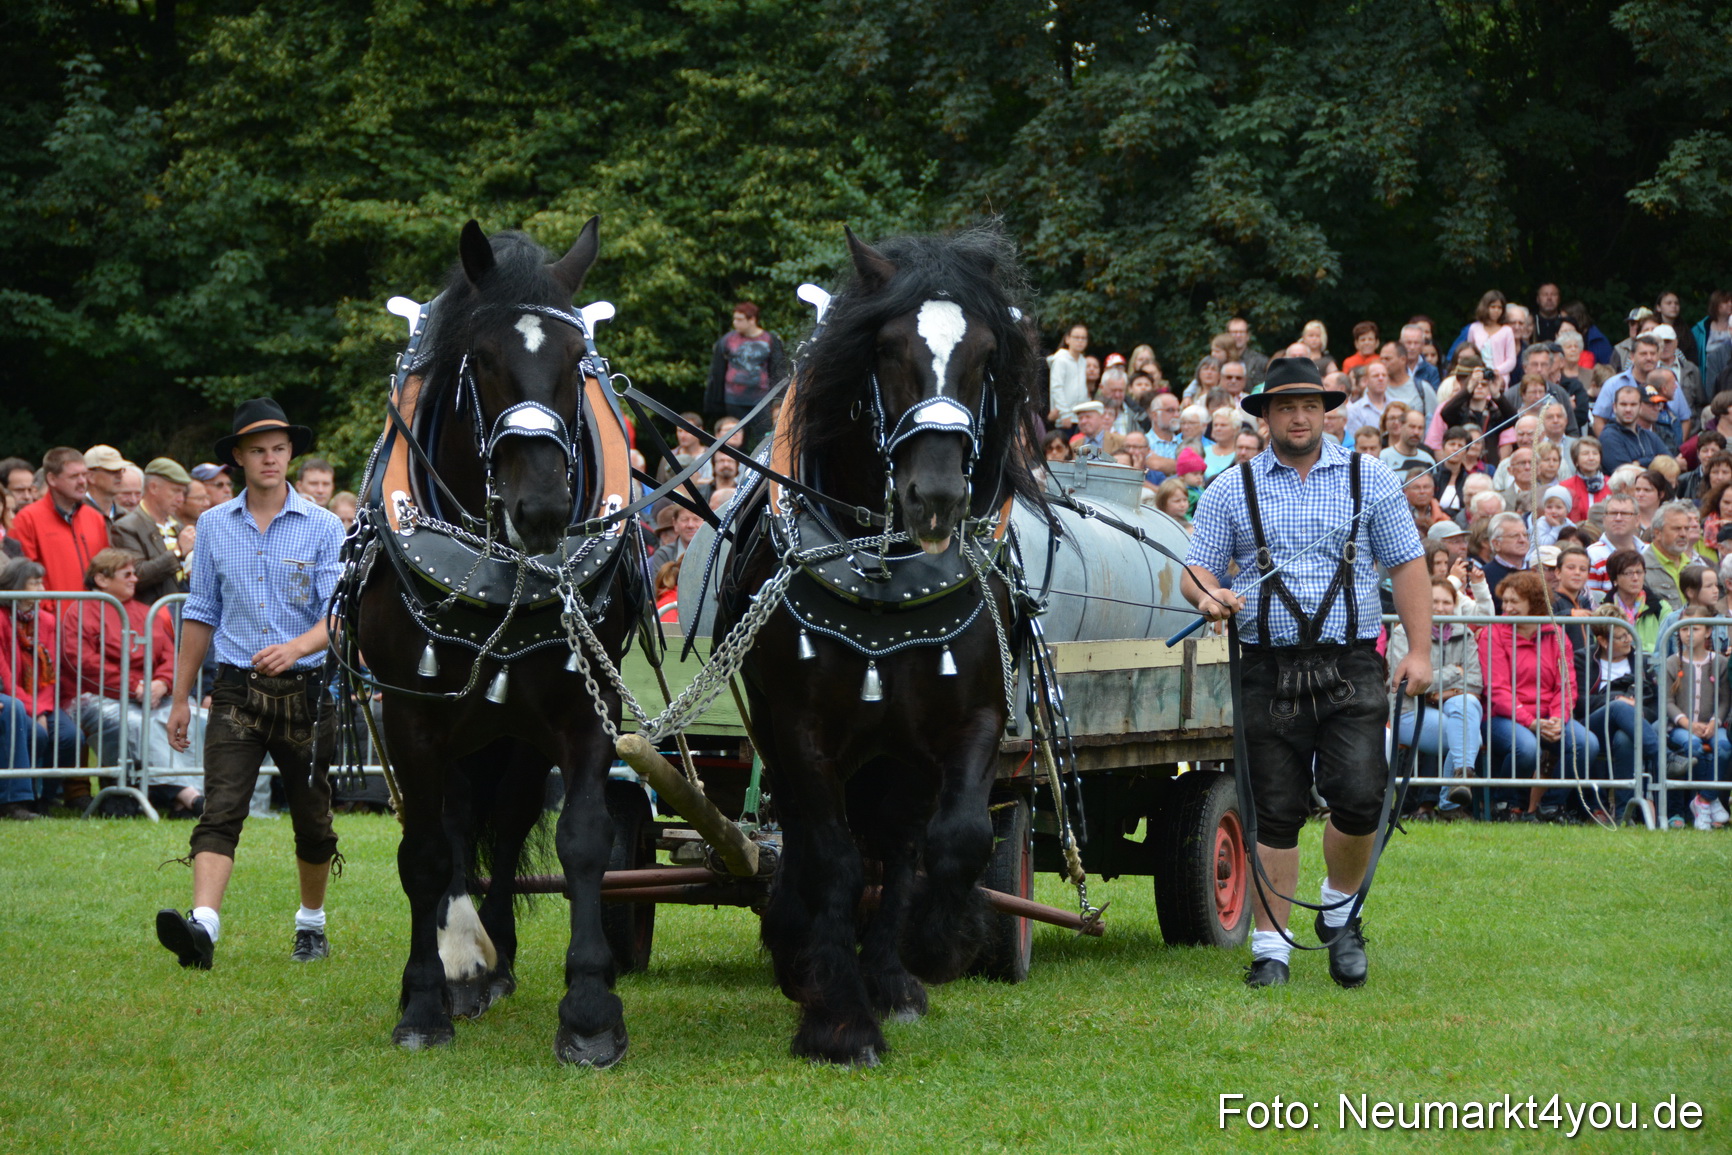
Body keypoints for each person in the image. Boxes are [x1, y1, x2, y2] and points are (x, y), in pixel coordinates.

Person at [1183, 357, 1430, 990]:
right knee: (1275, 808)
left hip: (1351, 662)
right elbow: (1195, 570)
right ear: (1264, 416)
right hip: (1267, 666)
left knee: (1360, 793)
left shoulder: (1369, 478)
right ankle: (1272, 949)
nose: (1300, 417)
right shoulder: (1228, 488)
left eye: (1311, 406)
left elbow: (1407, 566)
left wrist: (1420, 651)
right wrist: (1209, 596)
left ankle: (1341, 916)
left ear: (1327, 412)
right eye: (1287, 407)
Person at [155, 398, 345, 971]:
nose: (270, 459)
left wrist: (296, 647)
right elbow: (201, 612)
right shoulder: (212, 525)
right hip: (235, 688)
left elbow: (338, 616)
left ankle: (311, 923)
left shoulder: (323, 525)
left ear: (291, 453)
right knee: (221, 808)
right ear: (237, 458)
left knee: (313, 819)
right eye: (258, 450)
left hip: (308, 691)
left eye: (279, 449)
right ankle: (203, 928)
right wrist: (183, 696)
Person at [63, 547, 206, 818]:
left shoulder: (146, 612)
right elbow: (82, 661)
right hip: (97, 696)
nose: (134, 579)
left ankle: (185, 799)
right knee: (136, 723)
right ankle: (185, 796)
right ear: (102, 579)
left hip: (152, 694)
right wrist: (134, 686)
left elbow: (169, 654)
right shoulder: (79, 612)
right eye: (126, 574)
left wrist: (162, 683)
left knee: (192, 716)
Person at [1480, 570, 1597, 821]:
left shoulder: (1556, 634)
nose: (1507, 608)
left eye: (1514, 602)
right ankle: (1508, 804)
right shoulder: (1494, 632)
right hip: (1503, 716)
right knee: (1526, 747)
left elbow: (1566, 685)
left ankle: (1552, 807)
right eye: (1505, 601)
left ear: (1533, 604)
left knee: (1587, 744)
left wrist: (1557, 718)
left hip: (1548, 715)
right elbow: (1497, 688)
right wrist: (1530, 721)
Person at [1389, 577, 1481, 821]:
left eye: (1446, 602)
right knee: (1469, 735)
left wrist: (1437, 691)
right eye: (1433, 601)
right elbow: (1409, 685)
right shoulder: (1402, 633)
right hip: (1409, 711)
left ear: (1455, 605)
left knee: (1468, 704)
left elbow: (1474, 682)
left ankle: (1460, 780)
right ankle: (1451, 805)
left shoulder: (1465, 634)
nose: (1440, 608)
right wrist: (1453, 672)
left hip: (1450, 707)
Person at [1663, 607, 1732, 830]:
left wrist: (1714, 721)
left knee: (1722, 746)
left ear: (1708, 632)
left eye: (1696, 628)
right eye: (1684, 628)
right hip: (1680, 726)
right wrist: (1687, 723)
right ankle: (1708, 802)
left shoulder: (1719, 662)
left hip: (1712, 724)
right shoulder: (1672, 663)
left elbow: (1724, 700)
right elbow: (1667, 702)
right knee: (1692, 744)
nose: (1688, 633)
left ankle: (1703, 799)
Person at [9, 447, 110, 597]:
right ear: (52, 479)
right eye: (74, 476)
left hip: (94, 615)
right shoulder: (27, 519)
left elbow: (106, 569)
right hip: (50, 616)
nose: (83, 481)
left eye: (84, 475)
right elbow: (23, 577)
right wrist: (47, 611)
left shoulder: (95, 518)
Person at [107, 457, 193, 607]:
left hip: (179, 617)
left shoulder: (179, 527)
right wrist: (178, 552)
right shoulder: (126, 527)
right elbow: (136, 575)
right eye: (175, 491)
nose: (181, 499)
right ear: (153, 488)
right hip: (149, 621)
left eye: (183, 492)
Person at [705, 302, 788, 446]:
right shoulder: (727, 340)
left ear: (752, 320)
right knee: (734, 442)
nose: (735, 323)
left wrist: (778, 399)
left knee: (763, 440)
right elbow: (717, 372)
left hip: (761, 401)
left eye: (739, 319)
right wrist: (714, 402)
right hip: (734, 400)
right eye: (734, 319)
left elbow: (778, 371)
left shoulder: (770, 340)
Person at [1603, 547, 1665, 652]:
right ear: (1615, 579)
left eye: (1639, 572)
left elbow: (1668, 645)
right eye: (1628, 573)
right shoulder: (1603, 609)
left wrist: (1636, 650)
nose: (1635, 578)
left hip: (1651, 666)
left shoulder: (1661, 607)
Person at [1045, 322, 1091, 427]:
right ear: (1067, 339)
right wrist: (1065, 413)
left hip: (1080, 418)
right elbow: (1056, 388)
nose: (1080, 341)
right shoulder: (1060, 360)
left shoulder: (1083, 361)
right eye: (1076, 337)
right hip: (1064, 418)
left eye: (1083, 338)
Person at [1468, 291, 1517, 383]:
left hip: (1499, 378)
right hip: (1477, 376)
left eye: (1499, 308)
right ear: (1485, 307)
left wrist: (1495, 371)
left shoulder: (1507, 331)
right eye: (1493, 307)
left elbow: (1511, 360)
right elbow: (1470, 352)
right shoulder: (1474, 328)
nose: (1496, 311)